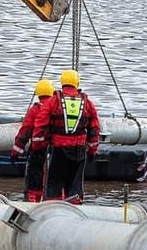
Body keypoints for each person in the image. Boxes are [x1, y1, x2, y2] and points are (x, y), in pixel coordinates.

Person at [40, 69, 100, 203]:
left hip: (59, 149)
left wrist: (40, 145)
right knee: (75, 185)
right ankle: (75, 210)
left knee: (54, 184)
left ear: (62, 83)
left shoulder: (54, 101)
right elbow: (94, 128)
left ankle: (53, 210)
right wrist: (92, 150)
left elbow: (41, 123)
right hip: (79, 151)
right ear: (77, 83)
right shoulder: (87, 103)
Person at [12, 79, 55, 203]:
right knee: (54, 179)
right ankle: (56, 201)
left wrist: (16, 152)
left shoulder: (35, 110)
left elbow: (24, 132)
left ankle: (32, 202)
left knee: (33, 180)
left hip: (37, 151)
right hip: (56, 150)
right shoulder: (57, 108)